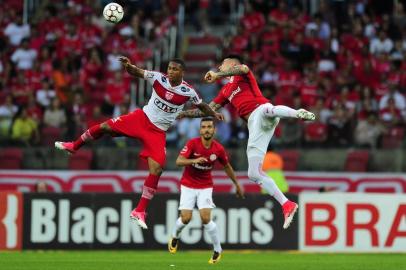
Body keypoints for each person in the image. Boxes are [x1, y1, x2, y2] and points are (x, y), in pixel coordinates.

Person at [55, 57, 222, 229]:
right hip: (141, 119)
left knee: (157, 168)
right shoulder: (158, 78)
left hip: (157, 132)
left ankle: (140, 210)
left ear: (182, 72)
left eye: (174, 69)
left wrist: (214, 114)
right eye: (170, 68)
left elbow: (202, 107)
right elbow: (138, 72)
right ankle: (74, 146)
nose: (170, 71)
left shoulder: (188, 91)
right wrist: (128, 66)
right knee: (105, 126)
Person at [178, 55, 315, 229]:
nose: (220, 67)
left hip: (260, 111)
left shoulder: (242, 73)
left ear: (232, 64)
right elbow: (208, 110)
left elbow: (242, 69)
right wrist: (183, 114)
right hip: (256, 128)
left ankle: (297, 114)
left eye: (223, 64)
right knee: (253, 173)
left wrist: (216, 74)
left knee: (267, 109)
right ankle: (287, 204)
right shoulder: (225, 92)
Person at [168, 117, 244, 264]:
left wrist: (236, 183)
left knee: (205, 218)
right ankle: (175, 236)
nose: (207, 129)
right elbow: (179, 161)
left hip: (205, 186)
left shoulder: (218, 149)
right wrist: (193, 161)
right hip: (188, 185)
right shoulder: (192, 144)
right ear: (200, 130)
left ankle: (217, 250)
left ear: (214, 130)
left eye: (209, 127)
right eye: (204, 127)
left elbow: (227, 166)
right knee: (186, 218)